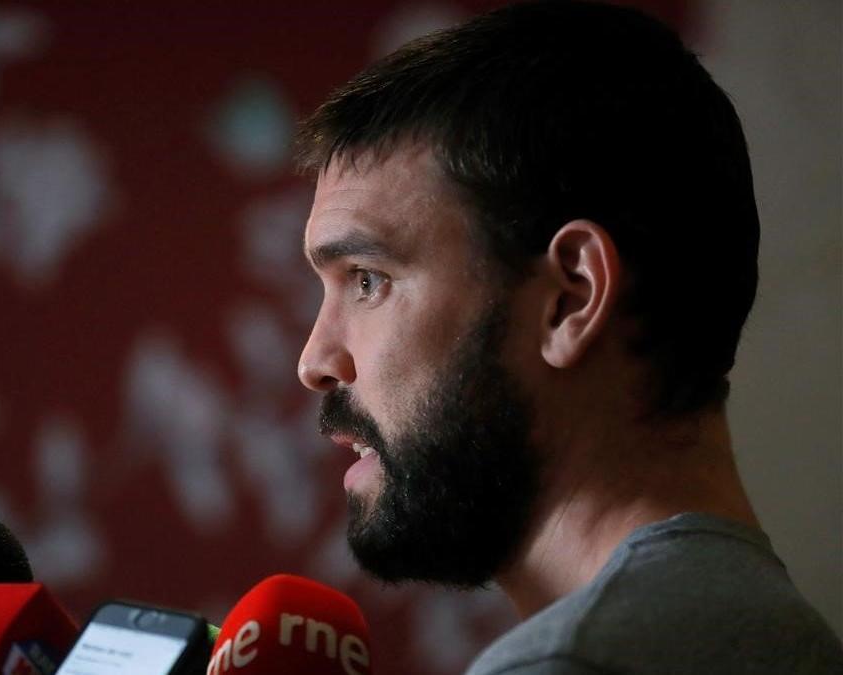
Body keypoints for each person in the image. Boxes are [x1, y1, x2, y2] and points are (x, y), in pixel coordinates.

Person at [292, 1, 843, 673]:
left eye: (368, 279)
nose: (315, 360)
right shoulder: (779, 632)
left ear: (571, 298)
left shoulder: (569, 661)